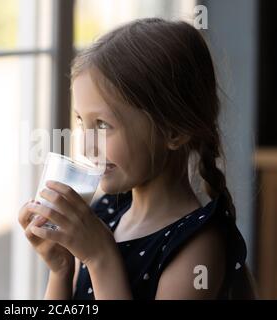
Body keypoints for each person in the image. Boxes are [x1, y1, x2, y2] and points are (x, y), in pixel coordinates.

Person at [18, 18, 257, 300]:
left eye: (103, 125)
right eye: (82, 122)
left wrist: (101, 258)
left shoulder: (199, 248)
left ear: (174, 132)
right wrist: (61, 269)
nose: (86, 146)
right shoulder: (105, 212)